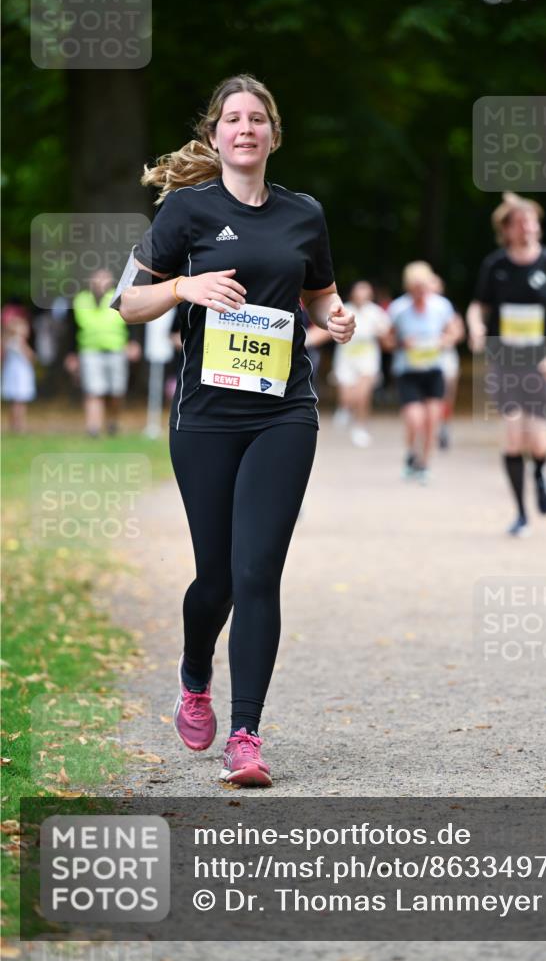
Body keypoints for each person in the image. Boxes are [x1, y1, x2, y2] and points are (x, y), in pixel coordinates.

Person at [112, 74, 355, 786]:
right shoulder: (187, 211)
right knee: (215, 577)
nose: (245, 129)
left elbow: (322, 294)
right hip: (207, 419)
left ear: (274, 135)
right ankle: (194, 675)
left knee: (257, 572)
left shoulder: (303, 213)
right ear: (215, 135)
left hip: (283, 410)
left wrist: (338, 318)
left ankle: (245, 735)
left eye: (257, 119)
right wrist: (185, 287)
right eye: (232, 119)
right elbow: (126, 302)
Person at [467, 192, 546, 537]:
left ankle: (541, 472)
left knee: (538, 440)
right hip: (506, 361)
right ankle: (520, 513)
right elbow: (478, 305)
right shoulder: (495, 265)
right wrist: (475, 327)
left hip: (542, 362)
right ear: (507, 229)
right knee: (514, 436)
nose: (530, 226)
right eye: (521, 221)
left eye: (533, 220)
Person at [388, 261, 463, 483]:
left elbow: (456, 331)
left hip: (433, 370)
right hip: (408, 371)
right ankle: (412, 451)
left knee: (432, 419)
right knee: (415, 419)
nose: (420, 293)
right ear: (409, 288)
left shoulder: (441, 306)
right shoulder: (398, 309)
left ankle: (424, 464)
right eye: (416, 288)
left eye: (424, 287)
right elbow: (387, 339)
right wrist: (402, 343)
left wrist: (443, 341)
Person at [64, 268, 142, 436]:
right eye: (97, 279)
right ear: (91, 281)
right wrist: (71, 354)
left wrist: (133, 343)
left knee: (116, 392)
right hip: (89, 351)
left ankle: (113, 422)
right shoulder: (80, 300)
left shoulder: (120, 297)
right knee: (94, 391)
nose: (100, 283)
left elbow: (132, 320)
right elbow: (71, 330)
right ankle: (93, 428)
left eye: (104, 279)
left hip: (116, 350)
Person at [332, 280, 391, 447]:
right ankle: (345, 408)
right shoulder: (344, 309)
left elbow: (386, 337)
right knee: (347, 397)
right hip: (346, 359)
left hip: (367, 360)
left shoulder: (376, 313)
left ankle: (360, 427)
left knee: (362, 395)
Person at [431, 274, 465, 449]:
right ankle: (430, 428)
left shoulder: (447, 307)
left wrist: (445, 340)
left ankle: (443, 426)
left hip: (444, 357)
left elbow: (459, 331)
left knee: (446, 395)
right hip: (422, 359)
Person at [1, 309, 36, 433]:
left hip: (11, 374)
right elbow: (30, 356)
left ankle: (13, 425)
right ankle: (19, 426)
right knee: (19, 403)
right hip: (20, 375)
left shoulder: (8, 342)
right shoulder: (19, 342)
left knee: (14, 403)